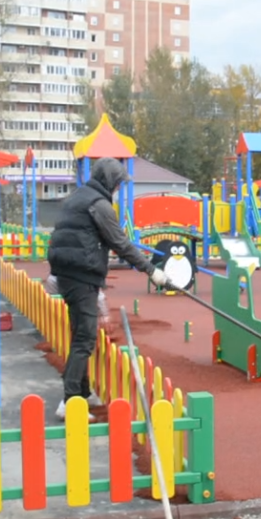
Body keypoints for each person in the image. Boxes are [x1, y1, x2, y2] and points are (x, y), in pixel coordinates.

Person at [47, 157, 170, 420]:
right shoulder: (99, 205)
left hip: (67, 272)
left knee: (80, 334)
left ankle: (82, 391)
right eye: (117, 184)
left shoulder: (79, 197)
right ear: (109, 181)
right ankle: (69, 402)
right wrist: (151, 270)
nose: (117, 189)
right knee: (84, 338)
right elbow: (120, 243)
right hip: (81, 275)